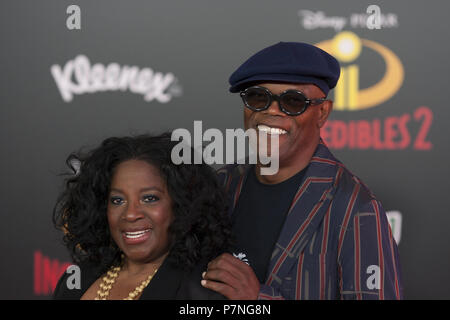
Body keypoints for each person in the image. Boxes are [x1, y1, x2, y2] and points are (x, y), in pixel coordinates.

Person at [200, 42, 403, 300]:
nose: (272, 110)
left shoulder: (355, 207)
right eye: (258, 97)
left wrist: (258, 299)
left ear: (322, 113)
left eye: (293, 101)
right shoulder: (222, 184)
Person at [52, 133, 230, 300]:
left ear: (182, 205)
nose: (130, 214)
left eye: (149, 198)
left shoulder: (203, 290)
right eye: (117, 200)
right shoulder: (77, 278)